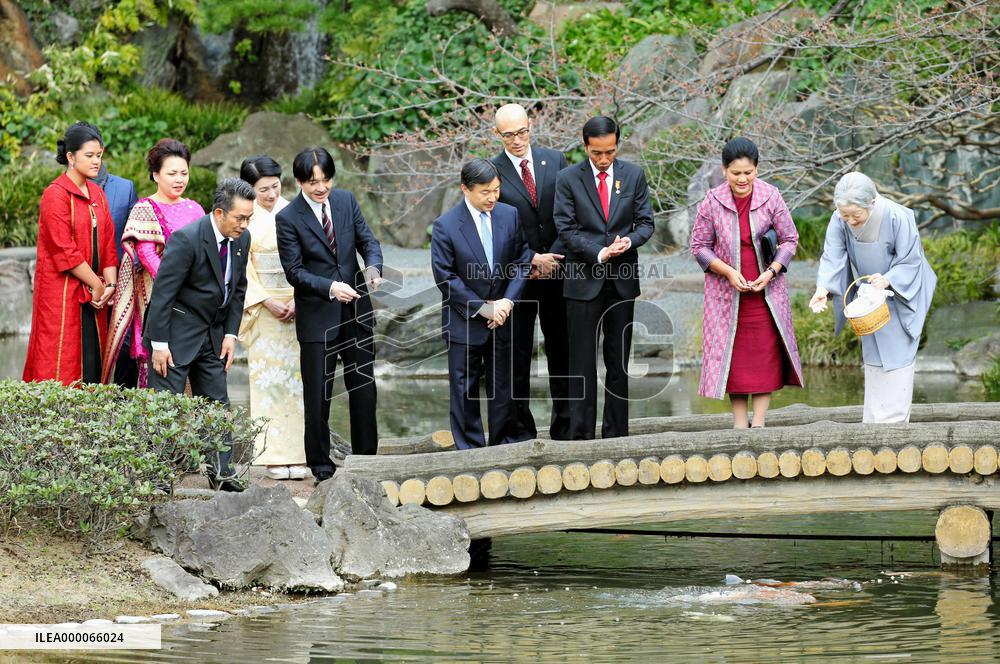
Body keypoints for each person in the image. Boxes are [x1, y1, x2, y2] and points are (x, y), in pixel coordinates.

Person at [275, 147, 383, 486]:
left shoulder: (346, 201)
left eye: (325, 180)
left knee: (364, 390)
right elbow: (294, 271)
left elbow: (368, 241)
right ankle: (321, 466)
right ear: (299, 182)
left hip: (356, 313)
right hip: (318, 316)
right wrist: (331, 287)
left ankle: (367, 461)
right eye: (312, 182)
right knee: (318, 395)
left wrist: (374, 268)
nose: (321, 188)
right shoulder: (288, 217)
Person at [143, 178, 254, 492]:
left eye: (249, 218)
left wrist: (231, 334)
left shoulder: (242, 240)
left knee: (217, 403)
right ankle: (157, 479)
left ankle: (222, 474)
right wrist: (159, 344)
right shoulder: (187, 239)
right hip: (175, 336)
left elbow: (238, 289)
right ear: (219, 213)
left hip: (214, 335)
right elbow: (163, 294)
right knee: (166, 406)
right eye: (240, 218)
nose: (245, 225)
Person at [690, 137, 804, 427]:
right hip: (727, 293)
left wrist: (772, 271)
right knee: (735, 357)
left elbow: (790, 239)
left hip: (766, 289)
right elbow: (699, 246)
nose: (743, 179)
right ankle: (740, 423)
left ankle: (760, 422)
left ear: (757, 169)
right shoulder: (712, 201)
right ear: (724, 170)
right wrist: (728, 272)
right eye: (736, 173)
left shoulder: (772, 195)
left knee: (764, 354)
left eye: (748, 172)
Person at [553, 116, 654, 440]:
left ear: (616, 146)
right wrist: (598, 252)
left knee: (618, 363)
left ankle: (616, 435)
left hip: (621, 281)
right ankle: (581, 437)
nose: (604, 159)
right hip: (582, 280)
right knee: (581, 363)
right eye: (597, 153)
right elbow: (565, 229)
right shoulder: (568, 178)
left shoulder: (633, 175)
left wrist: (630, 241)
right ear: (585, 147)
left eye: (610, 152)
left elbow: (645, 223)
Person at [810, 172, 936, 423]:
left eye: (855, 215)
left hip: (901, 293)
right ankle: (873, 424)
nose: (849, 220)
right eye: (845, 215)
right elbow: (833, 255)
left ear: (872, 202)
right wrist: (823, 288)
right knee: (874, 359)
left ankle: (895, 426)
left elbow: (912, 260)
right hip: (870, 298)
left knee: (898, 358)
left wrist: (889, 278)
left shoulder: (897, 216)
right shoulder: (839, 218)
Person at [431, 158, 533, 449]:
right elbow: (445, 278)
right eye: (485, 192)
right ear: (465, 188)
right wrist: (482, 307)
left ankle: (503, 446)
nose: (492, 197)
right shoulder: (445, 226)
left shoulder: (509, 215)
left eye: (496, 190)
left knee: (504, 386)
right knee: (465, 389)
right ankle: (470, 452)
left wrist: (506, 303)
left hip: (503, 315)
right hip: (464, 320)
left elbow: (522, 261)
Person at [490, 103, 572, 441]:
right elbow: (493, 227)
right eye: (509, 135)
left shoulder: (555, 161)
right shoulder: (491, 171)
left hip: (558, 271)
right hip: (516, 277)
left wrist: (552, 256)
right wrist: (531, 258)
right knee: (517, 354)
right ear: (497, 135)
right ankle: (520, 431)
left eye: (522, 132)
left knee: (562, 350)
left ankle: (566, 427)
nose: (517, 140)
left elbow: (569, 212)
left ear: (531, 126)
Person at [103, 139, 206, 386]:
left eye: (184, 173)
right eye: (172, 173)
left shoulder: (196, 209)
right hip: (157, 297)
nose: (179, 179)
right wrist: (178, 285)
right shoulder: (143, 208)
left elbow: (206, 252)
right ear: (156, 175)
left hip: (195, 302)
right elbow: (147, 255)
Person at [23, 122, 118, 386]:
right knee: (59, 362)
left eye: (99, 155)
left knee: (92, 364)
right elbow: (64, 250)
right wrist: (97, 284)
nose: (96, 161)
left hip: (95, 293)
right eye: (89, 155)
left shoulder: (97, 192)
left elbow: (109, 243)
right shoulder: (55, 194)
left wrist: (110, 284)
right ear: (70, 157)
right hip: (62, 293)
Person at [238, 155, 309, 481]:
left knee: (298, 382)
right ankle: (273, 456)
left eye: (274, 186)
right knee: (268, 383)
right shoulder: (245, 217)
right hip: (264, 307)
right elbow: (242, 267)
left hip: (297, 302)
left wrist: (295, 297)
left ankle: (300, 453)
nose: (269, 194)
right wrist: (266, 300)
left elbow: (311, 258)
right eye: (262, 188)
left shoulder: (295, 210)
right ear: (249, 188)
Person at [92, 163, 139, 386]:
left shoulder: (124, 187)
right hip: (81, 283)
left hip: (120, 283)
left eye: (96, 153)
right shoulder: (63, 191)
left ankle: (122, 406)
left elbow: (134, 239)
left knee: (126, 345)